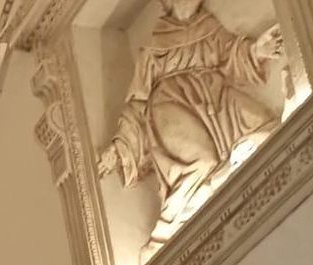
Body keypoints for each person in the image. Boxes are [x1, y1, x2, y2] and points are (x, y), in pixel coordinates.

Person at [98, 0, 282, 250]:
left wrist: (257, 51)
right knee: (200, 163)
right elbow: (137, 101)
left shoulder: (207, 26)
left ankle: (231, 172)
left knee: (266, 130)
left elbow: (231, 54)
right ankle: (167, 235)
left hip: (214, 97)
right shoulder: (153, 47)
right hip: (171, 107)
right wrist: (119, 148)